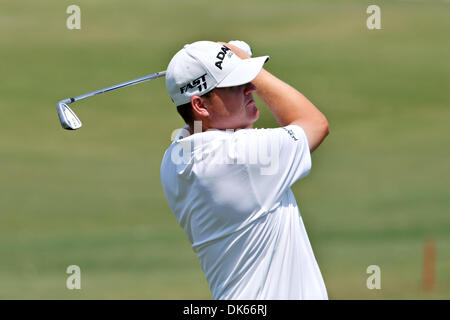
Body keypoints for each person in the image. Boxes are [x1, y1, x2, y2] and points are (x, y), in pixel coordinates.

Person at [160, 40, 329, 299]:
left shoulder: (174, 159)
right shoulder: (241, 158)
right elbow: (314, 123)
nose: (251, 87)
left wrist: (228, 63)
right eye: (235, 85)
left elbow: (205, 129)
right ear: (200, 106)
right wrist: (250, 67)